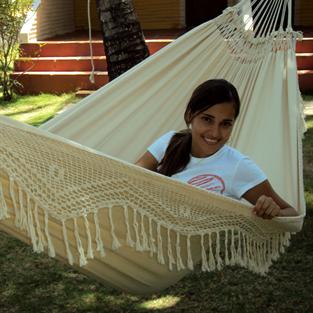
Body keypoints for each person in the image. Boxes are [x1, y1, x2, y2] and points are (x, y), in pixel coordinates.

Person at [136, 79, 298, 219]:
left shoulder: (237, 166)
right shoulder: (169, 142)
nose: (215, 133)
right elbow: (132, 176)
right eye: (207, 119)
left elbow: (292, 213)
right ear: (190, 115)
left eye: (225, 124)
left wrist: (274, 211)